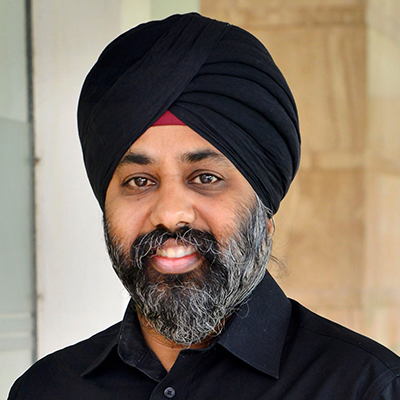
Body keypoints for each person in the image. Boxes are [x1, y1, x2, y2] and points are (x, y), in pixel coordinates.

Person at [8, 12, 400, 399]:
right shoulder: (46, 390)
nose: (170, 213)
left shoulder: (365, 388)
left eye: (205, 178)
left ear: (263, 211)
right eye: (140, 181)